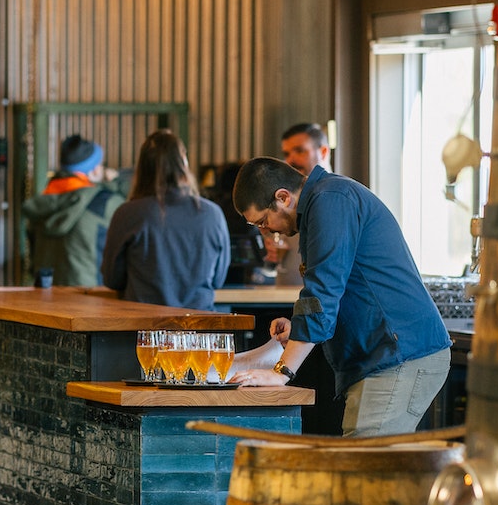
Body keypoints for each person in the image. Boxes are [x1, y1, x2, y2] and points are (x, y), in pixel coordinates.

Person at [229, 156, 453, 436]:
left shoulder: (331, 200)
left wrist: (281, 372)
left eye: (262, 221)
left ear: (283, 197)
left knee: (361, 469)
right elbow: (335, 291)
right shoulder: (324, 202)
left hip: (398, 353)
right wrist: (298, 329)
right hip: (383, 354)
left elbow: (322, 293)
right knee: (371, 471)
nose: (266, 231)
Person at [102, 130, 230, 311]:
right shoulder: (212, 214)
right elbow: (218, 279)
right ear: (183, 163)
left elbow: (112, 279)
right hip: (201, 329)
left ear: (141, 168)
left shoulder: (127, 214)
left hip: (141, 329)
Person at [20, 135, 127, 288]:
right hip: (91, 299)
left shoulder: (43, 203)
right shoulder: (104, 203)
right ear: (94, 171)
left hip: (45, 296)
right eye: (100, 164)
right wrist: (116, 184)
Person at [267, 123, 332, 286]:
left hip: (319, 304)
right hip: (285, 298)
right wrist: (268, 255)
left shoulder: (336, 198)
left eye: (300, 151)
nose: (291, 160)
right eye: (286, 153)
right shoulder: (284, 199)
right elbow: (272, 265)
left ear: (323, 152)